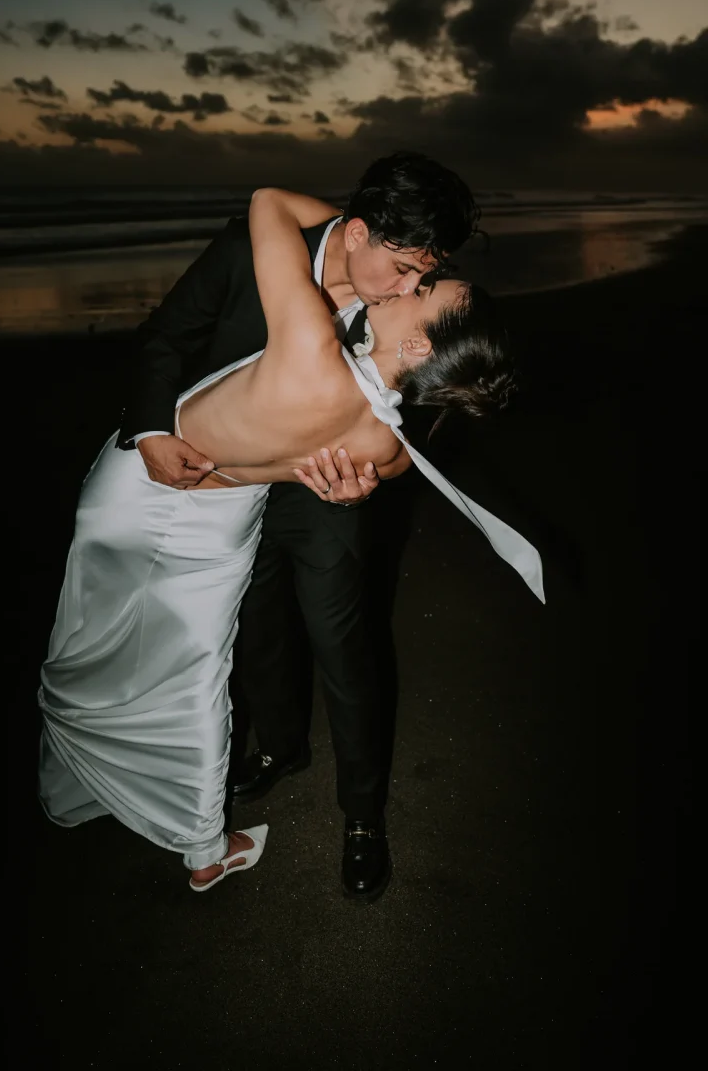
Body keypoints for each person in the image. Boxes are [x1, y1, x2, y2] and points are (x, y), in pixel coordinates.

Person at [38, 184, 544, 898]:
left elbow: (268, 200)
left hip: (202, 510)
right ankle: (209, 830)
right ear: (362, 232)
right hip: (183, 490)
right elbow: (177, 336)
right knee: (196, 670)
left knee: (135, 648)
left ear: (419, 344)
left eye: (425, 283)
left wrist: (352, 492)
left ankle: (346, 818)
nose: (410, 283)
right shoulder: (389, 443)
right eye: (412, 268)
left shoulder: (311, 345)